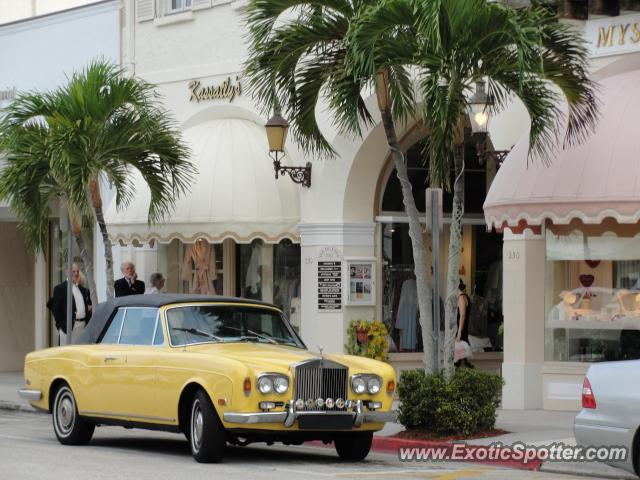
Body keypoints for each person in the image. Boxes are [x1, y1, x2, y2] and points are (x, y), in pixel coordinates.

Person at [47, 263, 92, 344]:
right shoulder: (60, 288)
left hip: (82, 327)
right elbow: (55, 309)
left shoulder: (83, 290)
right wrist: (60, 326)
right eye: (73, 271)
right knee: (67, 353)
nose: (76, 273)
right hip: (68, 328)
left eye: (77, 271)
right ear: (67, 272)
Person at [456, 279, 474, 368]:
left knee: (461, 345)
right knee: (462, 347)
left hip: (462, 327)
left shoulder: (461, 297)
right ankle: (463, 363)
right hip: (463, 327)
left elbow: (462, 315)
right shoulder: (465, 296)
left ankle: (464, 364)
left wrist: (459, 332)